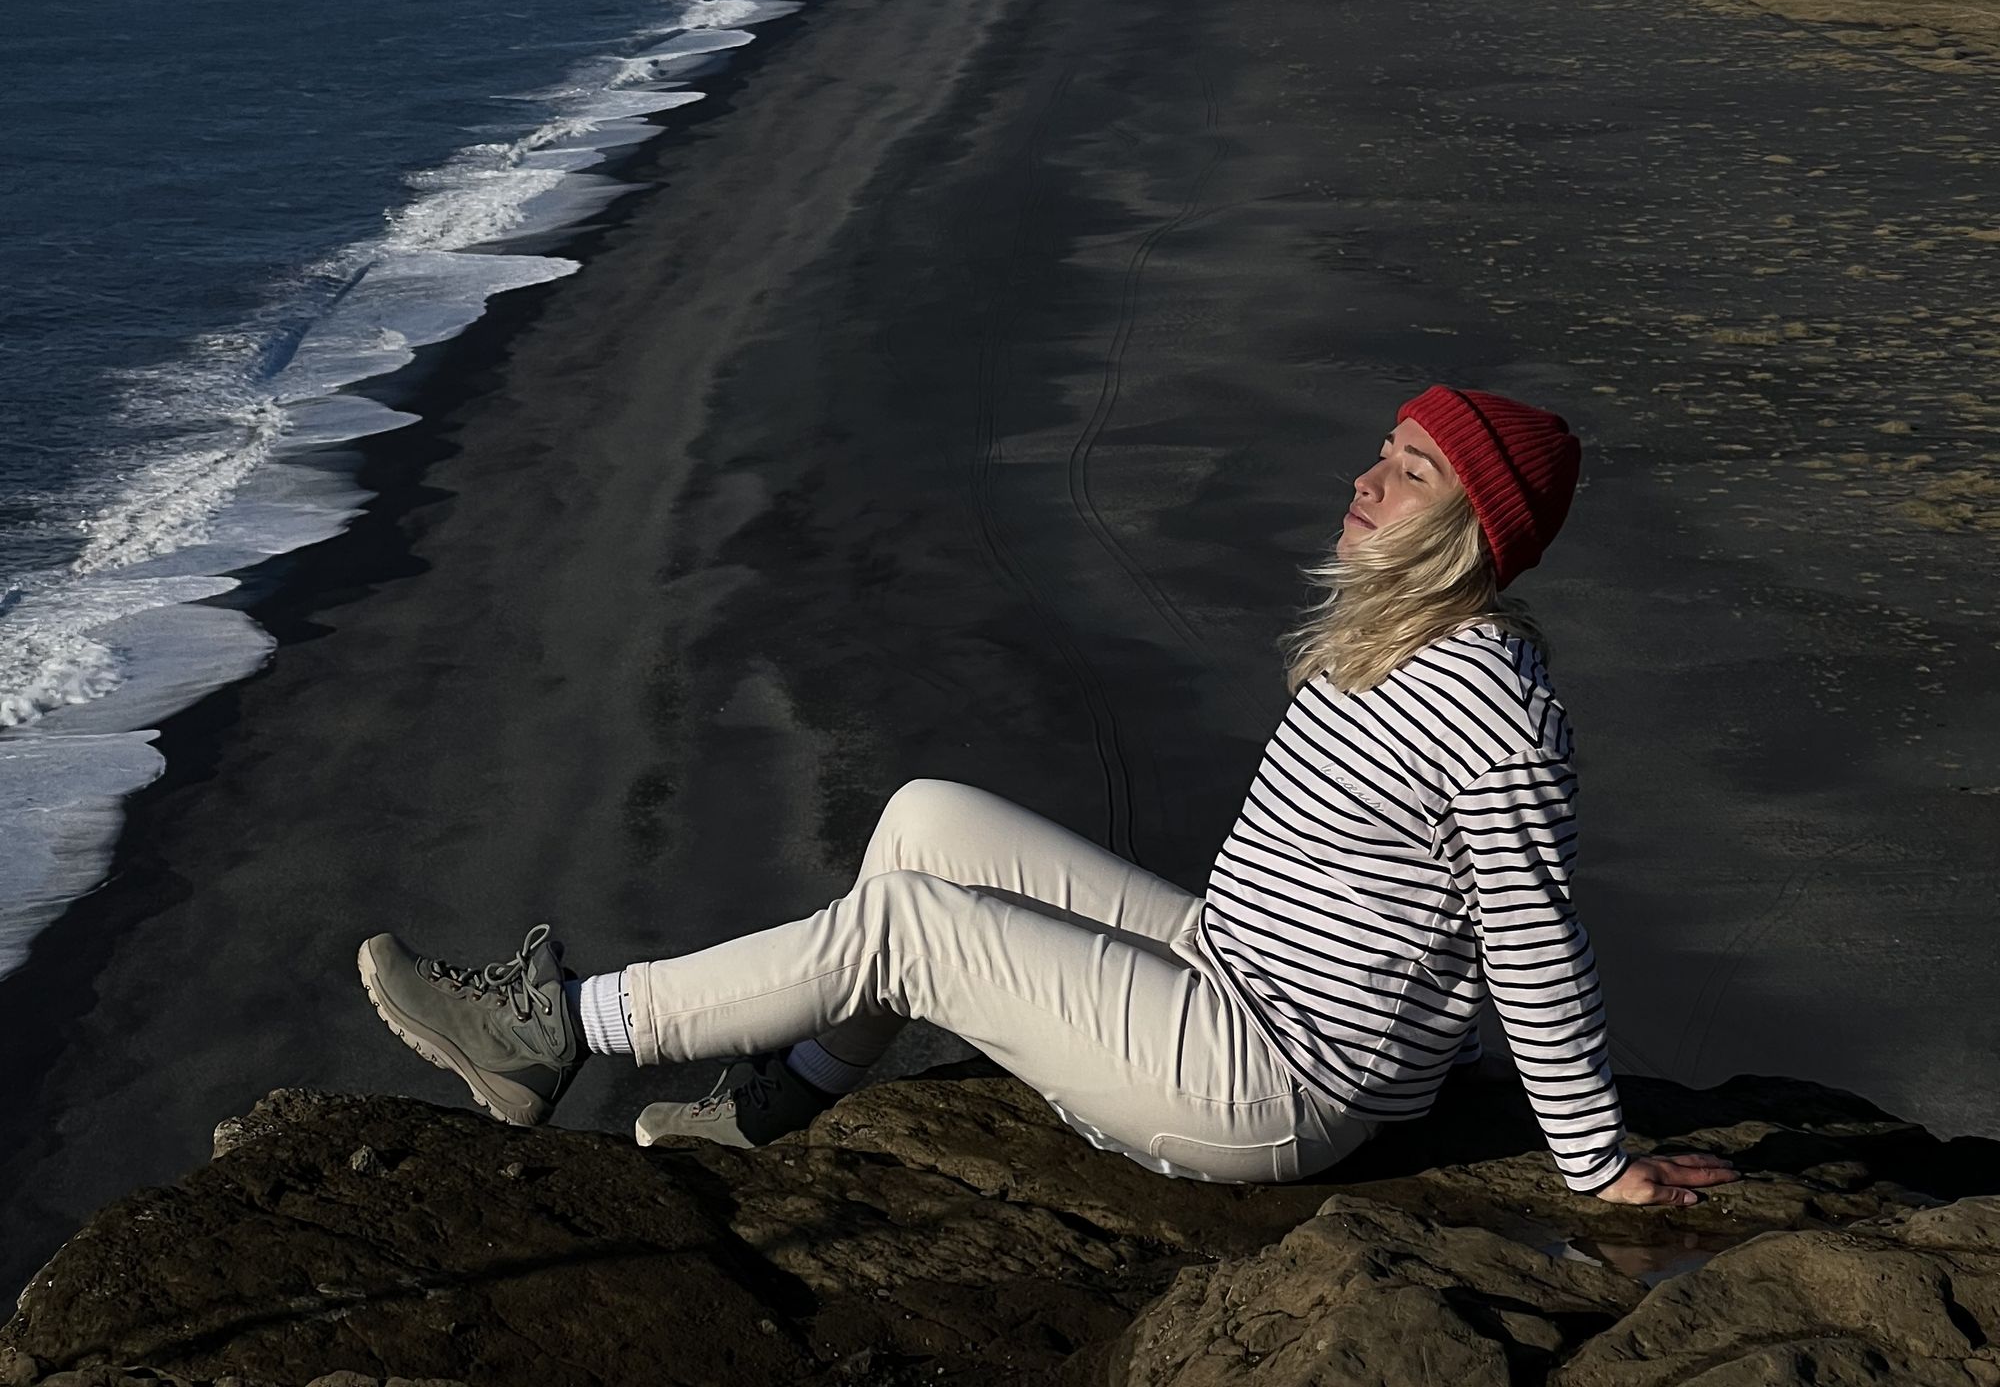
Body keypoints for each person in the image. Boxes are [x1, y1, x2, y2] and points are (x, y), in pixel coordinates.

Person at [359, 384, 1736, 1208]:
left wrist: (1595, 1161)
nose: (1367, 475)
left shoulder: (1489, 701)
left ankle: (560, 1035)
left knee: (912, 928)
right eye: (1382, 448)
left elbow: (1535, 940)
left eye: (1412, 468)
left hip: (1273, 1082)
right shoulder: (1399, 646)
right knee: (922, 822)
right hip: (1233, 973)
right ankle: (788, 1101)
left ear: (1471, 530)